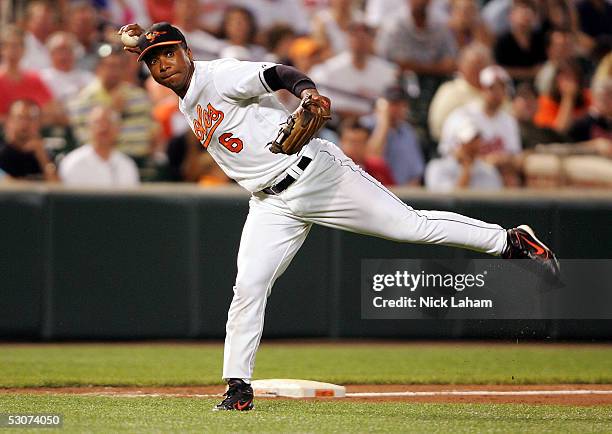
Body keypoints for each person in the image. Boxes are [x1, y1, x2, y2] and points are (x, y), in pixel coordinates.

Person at [118, 21, 560, 411]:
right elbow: (145, 43)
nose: (163, 64)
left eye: (170, 53)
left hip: (318, 176)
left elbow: (277, 73)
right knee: (249, 285)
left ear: (188, 52)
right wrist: (137, 40)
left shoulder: (218, 76)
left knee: (411, 226)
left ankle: (509, 241)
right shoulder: (185, 95)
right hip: (271, 203)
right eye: (154, 60)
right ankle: (237, 387)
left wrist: (307, 93)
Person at [68, 44, 155, 165]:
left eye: (118, 66)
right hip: (96, 162)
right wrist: (113, 111)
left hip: (137, 161)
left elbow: (145, 137)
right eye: (109, 66)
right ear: (98, 68)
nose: (113, 71)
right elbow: (85, 139)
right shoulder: (83, 100)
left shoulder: (139, 97)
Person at [439, 65, 522, 186]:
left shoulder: (509, 121)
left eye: (501, 88)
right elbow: (448, 153)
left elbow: (515, 158)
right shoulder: (463, 115)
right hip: (465, 175)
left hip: (497, 176)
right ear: (481, 89)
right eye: (492, 88)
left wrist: (498, 160)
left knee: (511, 179)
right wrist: (483, 161)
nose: (496, 93)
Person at [309, 21, 398, 117]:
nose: (360, 40)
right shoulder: (329, 68)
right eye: (355, 36)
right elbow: (318, 101)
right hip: (337, 122)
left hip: (374, 123)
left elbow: (391, 106)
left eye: (365, 36)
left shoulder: (387, 70)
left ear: (372, 40)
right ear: (348, 38)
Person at [59, 106, 140, 187]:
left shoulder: (127, 165)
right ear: (89, 127)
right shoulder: (73, 163)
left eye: (109, 122)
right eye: (98, 122)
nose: (104, 127)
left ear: (118, 128)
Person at [428, 43, 493, 141]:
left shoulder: (496, 90)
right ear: (461, 66)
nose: (478, 70)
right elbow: (437, 128)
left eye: (482, 65)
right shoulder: (450, 90)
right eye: (474, 65)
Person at [365, 87, 425, 186]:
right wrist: (383, 122)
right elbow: (372, 159)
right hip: (373, 191)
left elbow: (416, 174)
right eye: (394, 104)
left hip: (403, 194)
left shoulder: (408, 131)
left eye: (403, 105)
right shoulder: (366, 125)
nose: (399, 109)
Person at [425, 122, 503, 191]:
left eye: (478, 139)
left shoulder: (488, 170)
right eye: (470, 141)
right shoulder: (437, 168)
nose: (476, 144)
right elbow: (449, 201)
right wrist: (466, 169)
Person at [0, 25, 53, 121]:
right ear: (2, 49)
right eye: (9, 46)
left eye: (17, 46)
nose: (13, 50)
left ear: (24, 50)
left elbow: (50, 109)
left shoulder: (34, 79)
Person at [0, 100, 58, 181]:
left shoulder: (46, 154)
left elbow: (57, 188)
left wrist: (42, 156)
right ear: (9, 121)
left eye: (31, 118)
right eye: (20, 118)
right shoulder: (2, 153)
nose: (25, 123)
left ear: (39, 123)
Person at [493, 0, 546, 80]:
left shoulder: (540, 39)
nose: (525, 17)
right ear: (511, 16)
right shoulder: (502, 42)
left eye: (528, 14)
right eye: (521, 13)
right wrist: (530, 73)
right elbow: (499, 70)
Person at [338, 118, 395, 185]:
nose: (355, 147)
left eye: (360, 142)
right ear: (341, 142)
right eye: (351, 142)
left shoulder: (378, 167)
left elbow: (393, 191)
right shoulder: (333, 169)